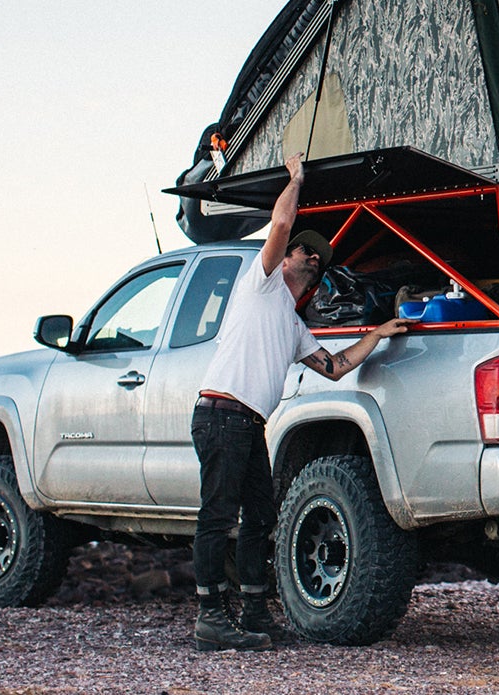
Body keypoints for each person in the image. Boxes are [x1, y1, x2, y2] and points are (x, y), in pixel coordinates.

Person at [191, 151, 410, 652]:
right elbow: (283, 221)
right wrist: (297, 178)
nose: (313, 257)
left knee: (260, 518)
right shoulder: (260, 283)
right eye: (305, 251)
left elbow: (335, 367)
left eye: (319, 258)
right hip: (220, 415)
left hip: (248, 424)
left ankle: (252, 613)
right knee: (218, 516)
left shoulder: (293, 326)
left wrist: (378, 333)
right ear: (285, 257)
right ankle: (209, 617)